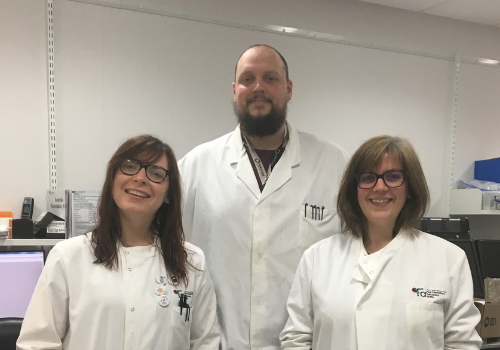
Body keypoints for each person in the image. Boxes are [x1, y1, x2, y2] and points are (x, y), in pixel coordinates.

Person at [178, 44, 349, 350]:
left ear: (289, 88)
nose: (258, 88)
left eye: (270, 78)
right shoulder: (196, 165)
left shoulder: (333, 163)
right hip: (217, 343)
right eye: (247, 79)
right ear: (234, 90)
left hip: (305, 343)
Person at [17, 135, 220, 350]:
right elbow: (37, 344)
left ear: (169, 193)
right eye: (130, 166)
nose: (141, 178)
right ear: (112, 179)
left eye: (156, 173)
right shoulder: (68, 256)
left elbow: (205, 343)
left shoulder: (191, 262)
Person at [280, 135, 482, 350]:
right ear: (354, 189)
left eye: (393, 176)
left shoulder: (448, 258)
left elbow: (462, 344)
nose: (380, 187)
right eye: (367, 177)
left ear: (411, 188)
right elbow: (296, 339)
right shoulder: (317, 257)